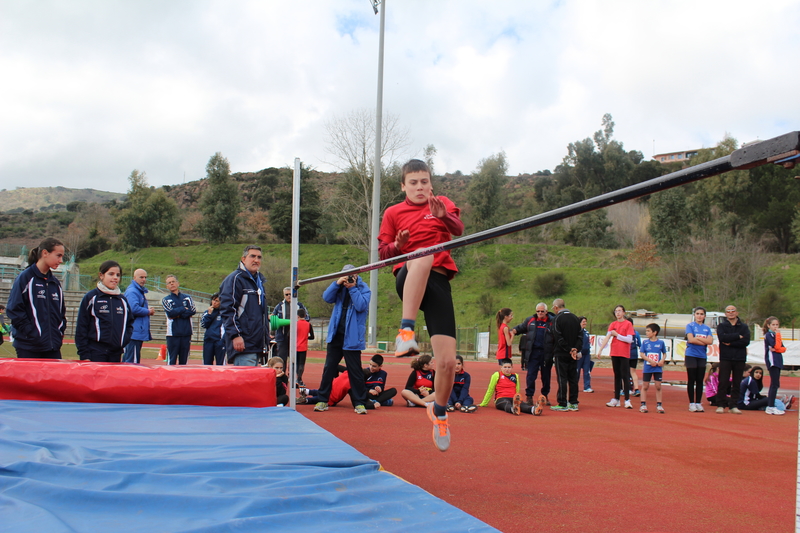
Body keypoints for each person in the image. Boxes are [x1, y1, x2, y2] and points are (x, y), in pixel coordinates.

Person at [378, 159, 464, 451]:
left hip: (438, 285)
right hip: (409, 277)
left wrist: (445, 218)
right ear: (403, 186)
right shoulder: (393, 212)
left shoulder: (441, 203)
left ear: (431, 184)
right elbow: (383, 253)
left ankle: (439, 412)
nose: (419, 187)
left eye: (424, 182)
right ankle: (406, 331)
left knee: (448, 363)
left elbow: (459, 230)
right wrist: (399, 247)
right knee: (423, 255)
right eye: (413, 183)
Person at [313, 265, 371, 415]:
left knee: (355, 372)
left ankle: (359, 403)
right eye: (346, 275)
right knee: (329, 369)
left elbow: (361, 306)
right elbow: (326, 297)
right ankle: (322, 400)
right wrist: (337, 283)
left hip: (352, 338)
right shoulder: (339, 288)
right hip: (336, 335)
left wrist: (352, 288)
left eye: (352, 274)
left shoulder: (364, 288)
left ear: (357, 274)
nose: (349, 277)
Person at [6, 237, 67, 359]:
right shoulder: (25, 278)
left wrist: (58, 333)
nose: (61, 260)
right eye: (58, 256)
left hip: (52, 347)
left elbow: (61, 314)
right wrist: (32, 333)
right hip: (29, 347)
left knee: (54, 378)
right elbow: (14, 310)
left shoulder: (55, 283)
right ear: (45, 253)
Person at [75, 260, 134, 363]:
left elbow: (129, 324)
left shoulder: (122, 300)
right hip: (95, 353)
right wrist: (84, 354)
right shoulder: (91, 298)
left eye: (118, 275)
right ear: (101, 275)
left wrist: (122, 342)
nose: (115, 277)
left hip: (116, 354)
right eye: (111, 274)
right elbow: (81, 327)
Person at [219, 246, 268, 367]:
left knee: (252, 383)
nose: (256, 260)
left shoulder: (259, 282)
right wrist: (235, 335)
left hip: (257, 344)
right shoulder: (235, 279)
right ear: (243, 259)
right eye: (252, 256)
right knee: (244, 383)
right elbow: (228, 309)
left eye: (259, 257)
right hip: (244, 344)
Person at [511, 302, 554, 405]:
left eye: (542, 311)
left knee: (546, 376)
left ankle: (544, 396)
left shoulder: (553, 321)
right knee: (531, 376)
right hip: (533, 353)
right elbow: (520, 327)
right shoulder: (530, 320)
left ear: (546, 312)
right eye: (538, 311)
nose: (540, 313)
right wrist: (511, 331)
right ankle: (529, 397)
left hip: (546, 353)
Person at [548, 299, 584, 412]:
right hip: (573, 354)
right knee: (573, 378)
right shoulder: (575, 318)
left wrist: (568, 349)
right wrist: (575, 349)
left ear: (556, 307)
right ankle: (573, 402)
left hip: (561, 353)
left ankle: (562, 402)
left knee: (562, 378)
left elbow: (558, 337)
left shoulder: (557, 319)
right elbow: (580, 336)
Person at [478, 358, 546, 415]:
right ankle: (513, 409)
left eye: (509, 367)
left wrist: (518, 399)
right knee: (506, 404)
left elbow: (517, 390)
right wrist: (484, 403)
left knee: (522, 405)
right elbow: (490, 389)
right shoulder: (496, 375)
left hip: (513, 398)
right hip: (501, 398)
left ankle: (534, 409)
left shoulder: (515, 376)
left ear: (512, 367)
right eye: (505, 367)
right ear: (501, 367)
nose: (507, 369)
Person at [597, 304, 634, 409]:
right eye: (616, 311)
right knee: (617, 376)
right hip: (615, 352)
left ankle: (627, 399)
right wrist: (600, 350)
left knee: (625, 376)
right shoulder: (613, 324)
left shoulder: (628, 324)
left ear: (624, 312)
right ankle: (616, 399)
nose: (617, 313)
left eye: (619, 311)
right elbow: (607, 337)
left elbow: (629, 339)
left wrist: (617, 335)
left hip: (624, 353)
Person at [715, 305, 750, 414]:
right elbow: (722, 338)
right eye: (728, 311)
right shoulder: (721, 326)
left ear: (737, 313)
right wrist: (737, 336)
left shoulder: (744, 327)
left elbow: (746, 341)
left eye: (733, 311)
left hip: (739, 358)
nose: (731, 313)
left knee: (737, 382)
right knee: (723, 381)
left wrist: (731, 343)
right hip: (726, 357)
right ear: (725, 314)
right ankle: (720, 404)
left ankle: (734, 405)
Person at [161, 275, 196, 365]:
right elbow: (170, 313)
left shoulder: (187, 298)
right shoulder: (166, 300)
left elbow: (192, 311)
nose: (172, 284)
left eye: (173, 281)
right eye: (169, 282)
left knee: (184, 361)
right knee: (172, 360)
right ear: (167, 286)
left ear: (178, 283)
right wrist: (184, 309)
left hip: (186, 333)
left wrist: (177, 313)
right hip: (173, 334)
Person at [123, 268, 155, 364]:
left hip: (136, 331)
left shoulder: (137, 291)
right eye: (141, 277)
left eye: (145, 277)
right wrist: (148, 311)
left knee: (130, 358)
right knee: (133, 361)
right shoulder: (133, 291)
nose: (144, 279)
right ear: (134, 278)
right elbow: (133, 308)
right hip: (134, 331)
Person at [271, 286, 309, 367]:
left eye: (290, 294)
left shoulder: (299, 305)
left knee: (295, 358)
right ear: (284, 295)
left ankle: (295, 376)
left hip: (296, 337)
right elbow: (272, 317)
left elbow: (307, 317)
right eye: (286, 294)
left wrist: (299, 320)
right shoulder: (279, 306)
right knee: (282, 357)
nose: (288, 296)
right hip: (282, 336)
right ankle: (282, 375)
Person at [685, 307, 713, 412]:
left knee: (700, 380)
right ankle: (691, 403)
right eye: (697, 313)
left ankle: (698, 402)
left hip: (702, 356)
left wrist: (698, 339)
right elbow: (691, 339)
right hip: (691, 355)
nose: (699, 316)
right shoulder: (690, 326)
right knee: (691, 379)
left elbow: (710, 341)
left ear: (704, 316)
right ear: (694, 315)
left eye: (702, 314)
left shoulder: (707, 328)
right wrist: (704, 341)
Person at [639, 323, 667, 414]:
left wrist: (662, 360)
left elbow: (664, 353)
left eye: (648, 331)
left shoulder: (661, 343)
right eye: (646, 331)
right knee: (645, 385)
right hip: (648, 367)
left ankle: (659, 405)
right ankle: (643, 404)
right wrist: (650, 360)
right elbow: (642, 354)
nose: (646, 333)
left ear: (655, 332)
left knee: (658, 386)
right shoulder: (645, 343)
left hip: (657, 368)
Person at [763, 317, 787, 415]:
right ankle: (770, 406)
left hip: (778, 360)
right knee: (774, 384)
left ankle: (771, 405)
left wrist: (778, 349)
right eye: (773, 325)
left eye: (777, 325)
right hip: (772, 361)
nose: (775, 327)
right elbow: (776, 346)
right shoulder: (769, 335)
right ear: (769, 325)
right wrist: (778, 336)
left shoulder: (775, 335)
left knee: (776, 384)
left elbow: (783, 348)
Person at [200, 293, 225, 365]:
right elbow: (203, 324)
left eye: (217, 301)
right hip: (208, 341)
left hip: (219, 341)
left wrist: (223, 340)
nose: (214, 302)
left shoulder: (224, 313)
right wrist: (209, 315)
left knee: (220, 365)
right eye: (213, 300)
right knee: (207, 364)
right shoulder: (207, 312)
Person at [294, 308, 314, 386]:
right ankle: (299, 378)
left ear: (297, 316)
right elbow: (312, 337)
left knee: (296, 363)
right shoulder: (308, 325)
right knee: (301, 364)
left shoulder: (295, 324)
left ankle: (296, 378)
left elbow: (289, 335)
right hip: (303, 347)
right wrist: (306, 337)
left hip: (295, 347)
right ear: (305, 315)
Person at [576, 316, 593, 393]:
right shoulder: (576, 332)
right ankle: (574, 386)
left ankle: (587, 386)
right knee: (577, 371)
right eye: (583, 322)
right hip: (579, 354)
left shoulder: (586, 332)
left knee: (587, 370)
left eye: (585, 322)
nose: (585, 323)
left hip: (586, 354)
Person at [628, 320, 642, 397]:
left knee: (625, 372)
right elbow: (640, 344)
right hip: (634, 355)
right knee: (633, 372)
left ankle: (626, 389)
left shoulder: (626, 332)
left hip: (626, 354)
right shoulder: (636, 333)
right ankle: (636, 388)